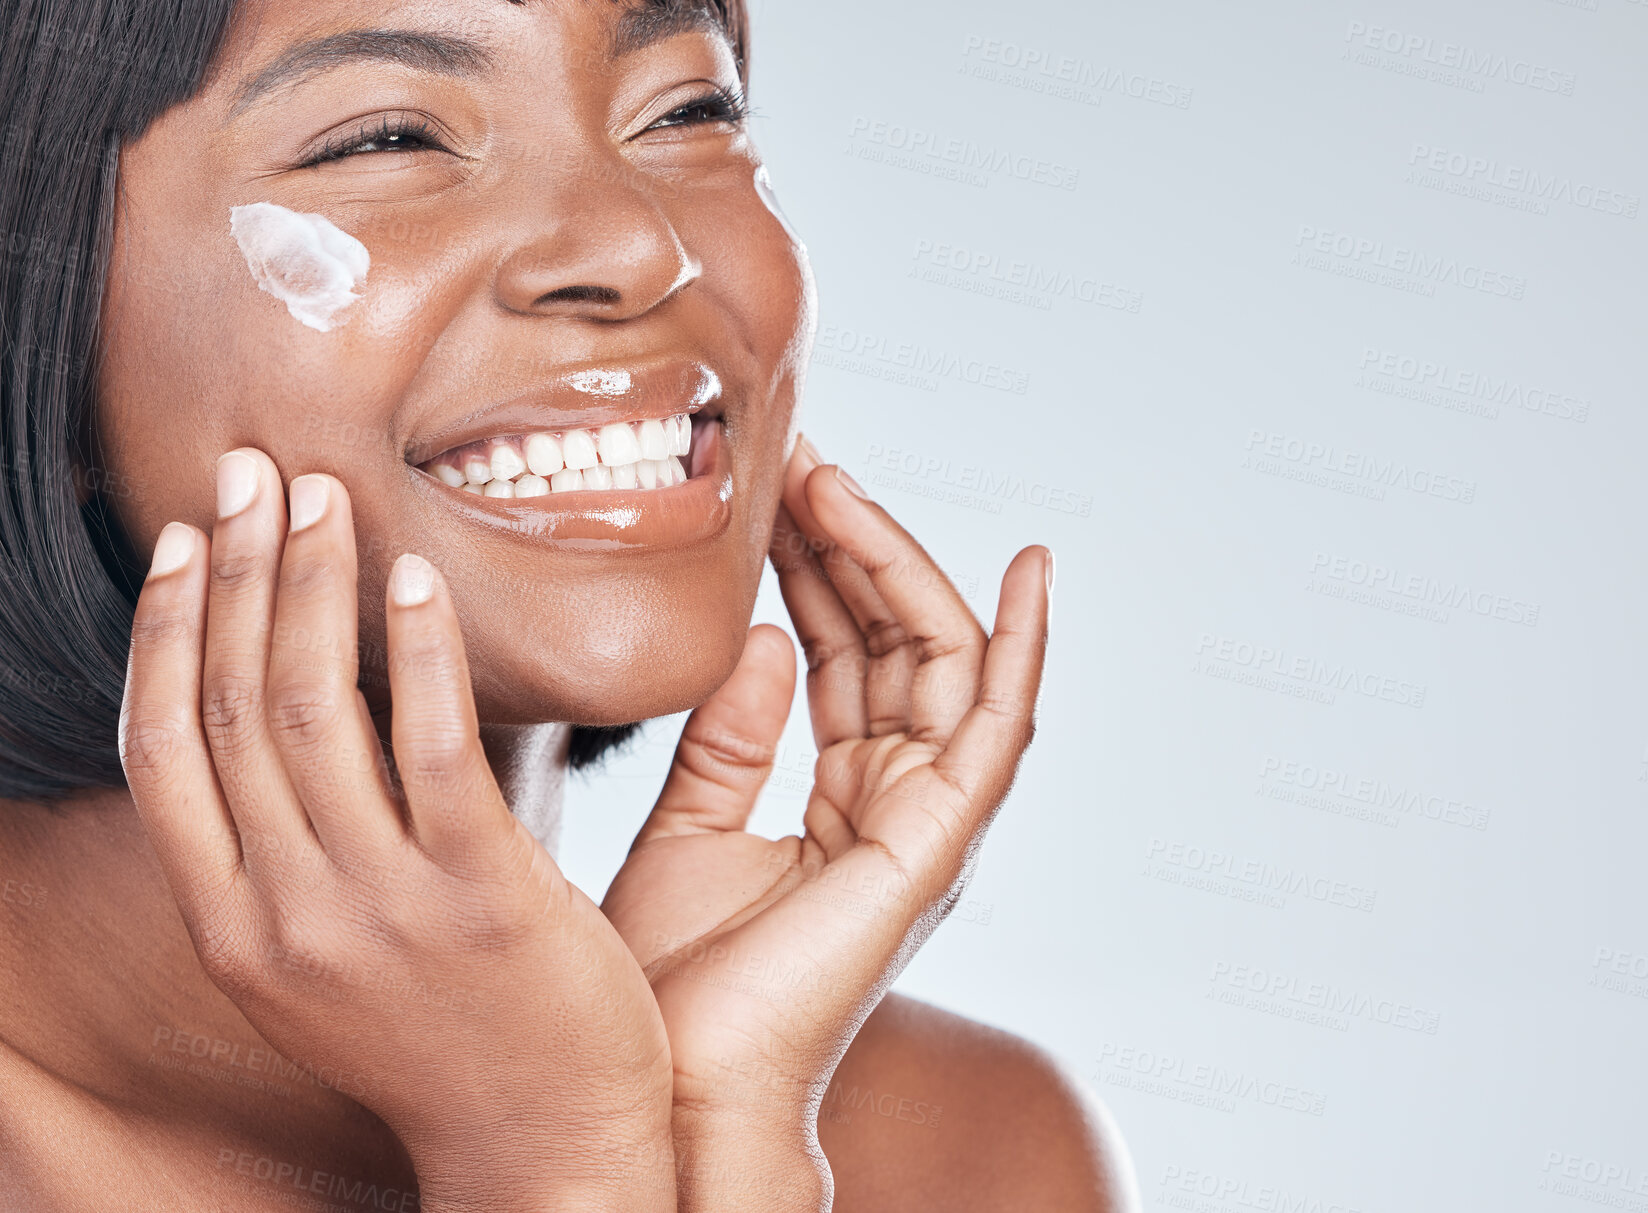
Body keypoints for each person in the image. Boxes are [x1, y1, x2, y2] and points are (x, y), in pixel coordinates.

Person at [0, 0, 1137, 1207]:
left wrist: (704, 1132)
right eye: (390, 139)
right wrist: (554, 1161)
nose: (639, 247)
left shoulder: (970, 1148)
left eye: (688, 108)